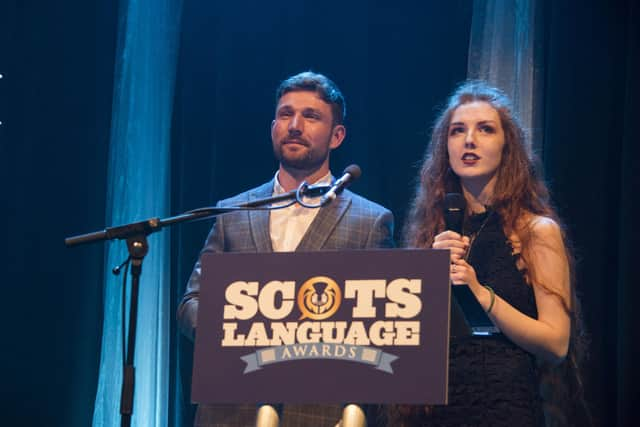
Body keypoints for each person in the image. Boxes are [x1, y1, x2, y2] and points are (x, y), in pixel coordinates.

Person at [177, 71, 395, 427]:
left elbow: (381, 325)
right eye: (285, 114)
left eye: (311, 116)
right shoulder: (232, 212)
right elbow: (190, 305)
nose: (295, 125)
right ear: (273, 127)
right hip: (231, 410)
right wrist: (238, 332)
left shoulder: (370, 221)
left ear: (337, 136)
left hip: (321, 413)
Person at [380, 81, 587, 427]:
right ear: (445, 147)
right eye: (457, 131)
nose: (469, 140)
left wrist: (480, 294)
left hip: (503, 406)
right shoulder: (432, 232)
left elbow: (556, 343)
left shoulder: (535, 231)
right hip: (435, 411)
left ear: (508, 147)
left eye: (485, 129)